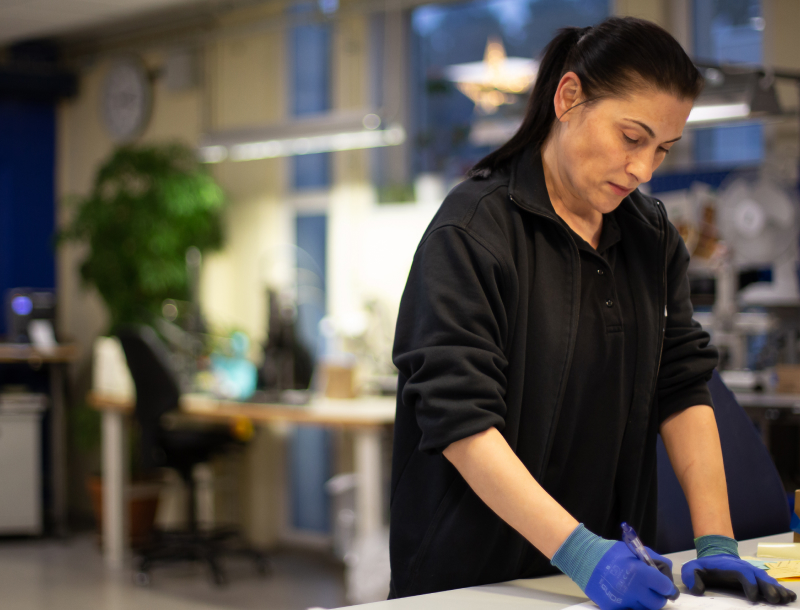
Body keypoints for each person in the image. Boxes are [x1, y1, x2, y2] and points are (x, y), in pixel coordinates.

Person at [389, 16, 796, 609]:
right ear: (569, 97)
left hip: (602, 581)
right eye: (632, 138)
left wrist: (716, 544)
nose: (644, 170)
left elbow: (683, 386)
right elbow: (461, 424)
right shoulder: (473, 232)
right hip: (475, 583)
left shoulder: (651, 236)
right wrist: (580, 552)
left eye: (662, 148)